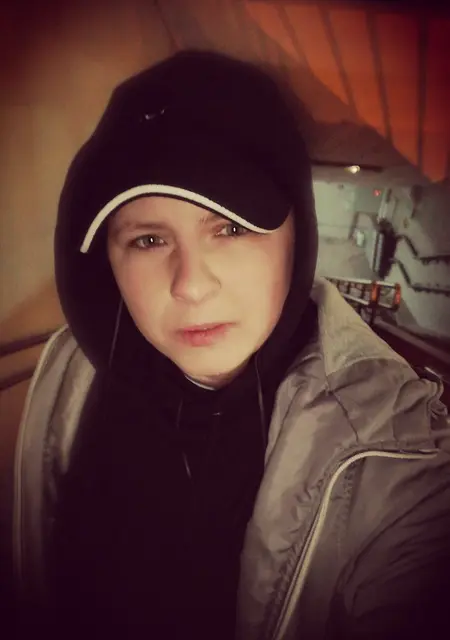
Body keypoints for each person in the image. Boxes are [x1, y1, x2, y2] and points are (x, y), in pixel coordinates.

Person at [12, 50, 450, 640]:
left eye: (231, 227)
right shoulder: (68, 369)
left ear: (298, 233)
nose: (191, 285)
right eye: (147, 240)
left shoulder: (396, 449)